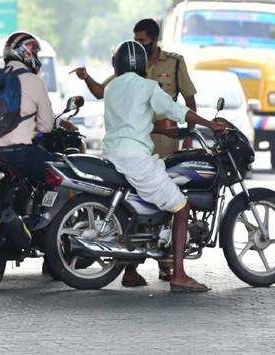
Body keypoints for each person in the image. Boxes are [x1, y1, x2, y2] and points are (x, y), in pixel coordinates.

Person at [74, 18, 198, 283]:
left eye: (142, 40)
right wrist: (86, 78)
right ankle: (168, 272)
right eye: (137, 40)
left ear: (154, 38)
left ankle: (163, 266)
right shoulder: (133, 79)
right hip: (141, 151)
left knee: (147, 209)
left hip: (161, 145)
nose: (138, 44)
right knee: (172, 205)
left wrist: (186, 136)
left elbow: (188, 99)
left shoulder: (173, 62)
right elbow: (101, 91)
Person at [0, 31, 75, 286]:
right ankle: (48, 244)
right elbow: (47, 125)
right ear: (28, 54)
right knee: (57, 180)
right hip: (18, 154)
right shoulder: (33, 81)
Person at [103, 40, 225, 292]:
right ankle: (179, 274)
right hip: (136, 158)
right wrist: (209, 124)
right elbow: (176, 109)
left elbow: (131, 121)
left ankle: (134, 269)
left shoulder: (112, 88)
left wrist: (165, 132)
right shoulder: (147, 87)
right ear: (142, 63)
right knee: (181, 207)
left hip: (113, 154)